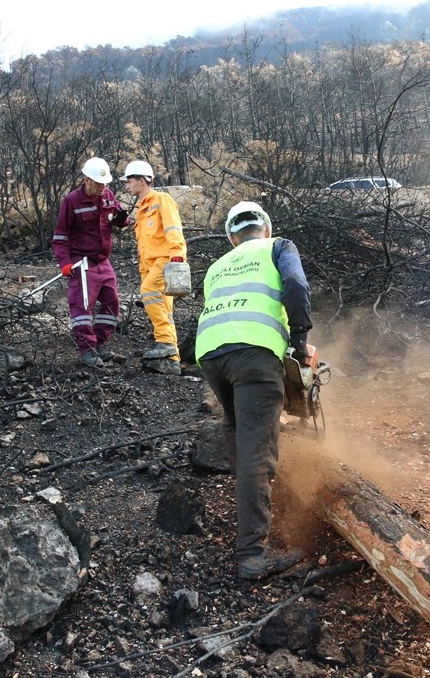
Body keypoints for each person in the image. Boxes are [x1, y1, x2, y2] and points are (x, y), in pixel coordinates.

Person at [195, 201, 312, 580]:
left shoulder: (216, 266)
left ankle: (248, 499)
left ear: (232, 236)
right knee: (256, 452)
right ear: (265, 227)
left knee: (237, 433)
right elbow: (295, 285)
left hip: (211, 354)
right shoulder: (278, 246)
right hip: (255, 354)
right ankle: (251, 555)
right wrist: (299, 340)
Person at [51, 157, 128, 368]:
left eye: (105, 184)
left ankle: (99, 344)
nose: (102, 188)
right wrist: (65, 262)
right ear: (86, 180)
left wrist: (122, 218)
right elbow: (60, 236)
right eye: (98, 183)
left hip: (104, 261)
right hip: (81, 262)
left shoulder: (108, 196)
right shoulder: (72, 201)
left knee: (112, 302)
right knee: (82, 306)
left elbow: (120, 221)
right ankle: (86, 349)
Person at [122, 160, 187, 376]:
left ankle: (165, 342)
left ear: (142, 180)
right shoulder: (141, 209)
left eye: (129, 181)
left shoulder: (161, 200)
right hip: (148, 265)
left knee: (148, 292)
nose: (127, 185)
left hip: (166, 260)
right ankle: (172, 360)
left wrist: (177, 254)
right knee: (165, 310)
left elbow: (173, 227)